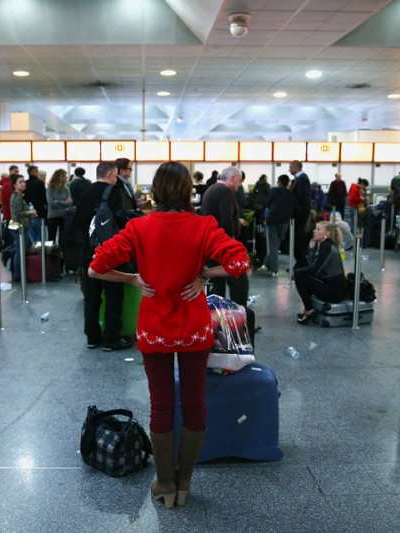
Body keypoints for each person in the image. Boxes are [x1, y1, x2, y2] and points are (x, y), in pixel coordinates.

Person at [88, 161, 249, 509]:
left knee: (161, 406)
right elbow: (239, 264)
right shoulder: (203, 225)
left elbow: (95, 267)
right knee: (194, 405)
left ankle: (165, 483)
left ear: (157, 190)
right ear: (186, 189)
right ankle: (185, 482)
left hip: (155, 329)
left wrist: (132, 278)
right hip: (194, 328)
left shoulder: (139, 227)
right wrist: (204, 275)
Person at [76, 162, 133, 351]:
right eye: (115, 175)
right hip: (109, 253)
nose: (116, 179)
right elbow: (120, 220)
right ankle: (111, 339)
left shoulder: (84, 193)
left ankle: (92, 337)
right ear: (109, 174)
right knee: (113, 296)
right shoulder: (112, 193)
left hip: (88, 253)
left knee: (91, 297)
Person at [201, 166, 249, 306]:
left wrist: (236, 219)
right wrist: (231, 240)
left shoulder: (212, 189)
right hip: (223, 245)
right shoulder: (225, 191)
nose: (239, 185)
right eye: (239, 181)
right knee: (239, 279)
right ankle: (240, 315)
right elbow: (226, 218)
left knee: (218, 282)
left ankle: (218, 315)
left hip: (212, 244)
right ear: (232, 178)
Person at [293, 221, 348, 325]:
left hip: (336, 292)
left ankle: (309, 310)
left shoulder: (327, 247)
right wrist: (312, 249)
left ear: (327, 234)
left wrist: (297, 272)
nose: (314, 231)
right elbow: (312, 266)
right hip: (330, 285)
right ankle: (308, 309)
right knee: (301, 275)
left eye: (318, 229)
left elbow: (314, 270)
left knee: (299, 276)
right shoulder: (324, 245)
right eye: (315, 229)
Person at [259, 174, 293, 277]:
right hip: (285, 221)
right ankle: (265, 264)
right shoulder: (291, 193)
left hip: (272, 220)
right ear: (288, 183)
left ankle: (274, 269)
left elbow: (268, 204)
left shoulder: (274, 191)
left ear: (279, 182)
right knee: (275, 243)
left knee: (272, 244)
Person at [9, 174, 37, 282]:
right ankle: (20, 276)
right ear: (15, 185)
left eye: (24, 182)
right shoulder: (16, 197)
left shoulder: (20, 196)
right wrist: (30, 212)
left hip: (22, 226)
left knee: (27, 246)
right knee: (20, 251)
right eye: (20, 182)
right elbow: (16, 215)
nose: (23, 184)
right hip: (18, 227)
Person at [289, 160, 311, 267]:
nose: (289, 169)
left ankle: (302, 263)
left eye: (291, 167)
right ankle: (299, 263)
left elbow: (302, 197)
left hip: (300, 214)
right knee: (296, 238)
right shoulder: (298, 179)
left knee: (297, 238)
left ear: (296, 167)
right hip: (298, 213)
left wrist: (295, 209)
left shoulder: (302, 179)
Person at [46, 168, 72, 244]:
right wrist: (64, 204)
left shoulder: (66, 189)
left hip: (63, 216)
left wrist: (58, 201)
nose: (66, 177)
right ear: (59, 176)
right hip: (52, 217)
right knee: (51, 238)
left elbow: (70, 203)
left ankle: (61, 253)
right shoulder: (50, 188)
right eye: (64, 176)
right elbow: (51, 203)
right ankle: (51, 254)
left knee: (63, 238)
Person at [23, 165, 47, 243]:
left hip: (28, 212)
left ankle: (32, 249)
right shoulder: (40, 183)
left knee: (31, 232)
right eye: (37, 171)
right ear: (33, 172)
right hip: (39, 211)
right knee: (40, 232)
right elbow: (44, 197)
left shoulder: (25, 183)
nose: (38, 172)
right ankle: (39, 251)